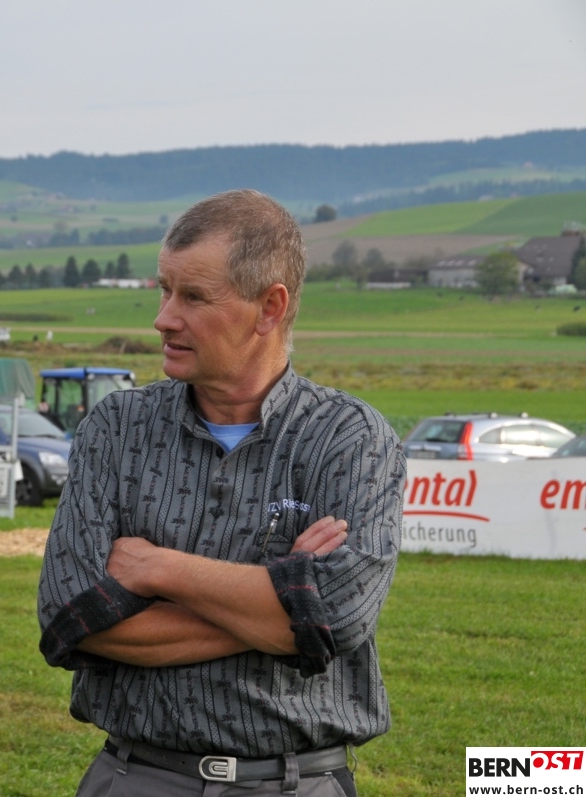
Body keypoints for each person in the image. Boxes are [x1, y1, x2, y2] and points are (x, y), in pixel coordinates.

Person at [37, 189, 404, 797]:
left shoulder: (348, 437)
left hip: (295, 783)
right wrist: (285, 605)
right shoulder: (117, 428)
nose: (164, 318)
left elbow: (340, 617)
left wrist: (158, 569)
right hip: (135, 776)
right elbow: (69, 618)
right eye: (164, 290)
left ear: (269, 308)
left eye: (194, 297)